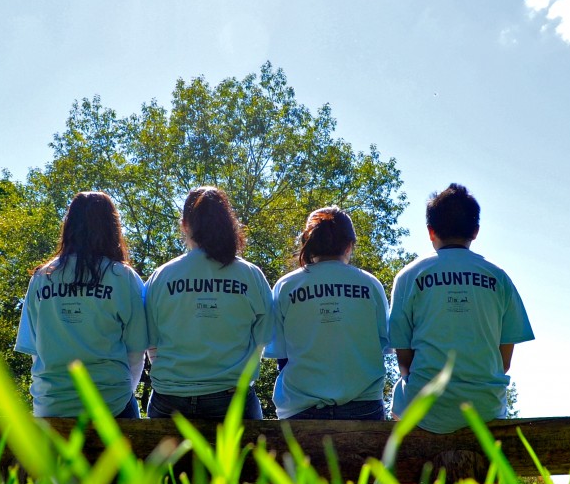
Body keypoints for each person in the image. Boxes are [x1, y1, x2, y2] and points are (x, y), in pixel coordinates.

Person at [389, 184, 534, 433]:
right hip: (485, 409)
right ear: (475, 231)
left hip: (426, 410)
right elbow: (503, 362)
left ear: (430, 231)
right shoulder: (498, 277)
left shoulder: (409, 275)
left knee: (399, 392)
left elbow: (404, 361)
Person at [15, 191, 147, 418]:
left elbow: (36, 352)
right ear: (111, 226)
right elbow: (136, 353)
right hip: (111, 405)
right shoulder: (123, 277)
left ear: (69, 225)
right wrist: (123, 396)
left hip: (51, 407)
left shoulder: (41, 277)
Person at [144, 186, 273, 420]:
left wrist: (178, 383)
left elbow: (151, 343)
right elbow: (262, 341)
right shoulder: (250, 275)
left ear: (184, 225)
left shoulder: (162, 276)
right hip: (232, 398)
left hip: (170, 399)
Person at [266, 207, 390, 420]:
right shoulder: (370, 284)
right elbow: (382, 345)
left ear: (309, 242)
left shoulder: (286, 286)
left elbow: (281, 355)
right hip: (363, 407)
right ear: (350, 244)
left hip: (301, 409)